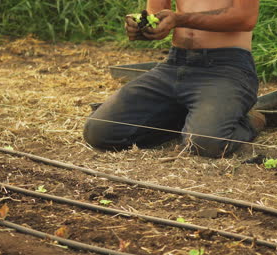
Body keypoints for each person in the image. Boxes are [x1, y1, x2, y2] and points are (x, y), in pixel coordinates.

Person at [84, 0, 265, 158]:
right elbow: (158, 17)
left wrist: (179, 19)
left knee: (205, 143)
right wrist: (143, 25)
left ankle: (249, 120)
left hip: (226, 67)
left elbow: (245, 18)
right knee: (100, 131)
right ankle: (194, 117)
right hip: (174, 64)